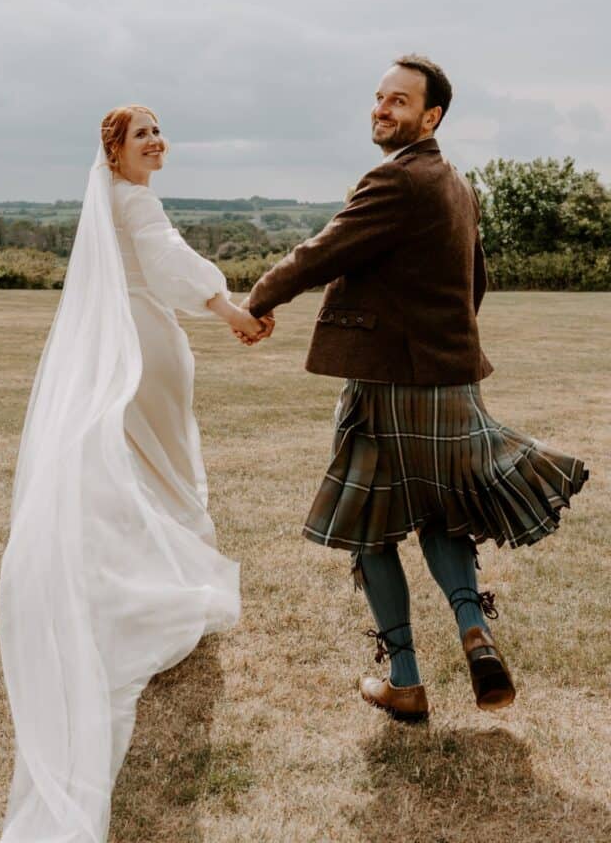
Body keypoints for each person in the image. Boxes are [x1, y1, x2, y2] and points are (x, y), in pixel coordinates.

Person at [238, 55, 588, 722]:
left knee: (369, 526)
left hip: (389, 385)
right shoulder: (457, 185)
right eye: (379, 97)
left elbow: (322, 252)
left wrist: (256, 301)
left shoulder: (396, 179)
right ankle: (473, 628)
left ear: (431, 117)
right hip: (452, 379)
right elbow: (475, 282)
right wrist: (443, 347)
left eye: (399, 101)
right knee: (442, 511)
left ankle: (404, 679)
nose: (381, 108)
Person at [0, 105, 268, 842]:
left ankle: (152, 575)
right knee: (169, 469)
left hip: (126, 345)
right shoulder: (137, 203)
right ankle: (175, 586)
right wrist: (233, 312)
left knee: (145, 468)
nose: (155, 140)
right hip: (147, 344)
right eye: (139, 133)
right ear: (113, 153)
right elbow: (171, 268)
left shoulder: (112, 200)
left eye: (157, 130)